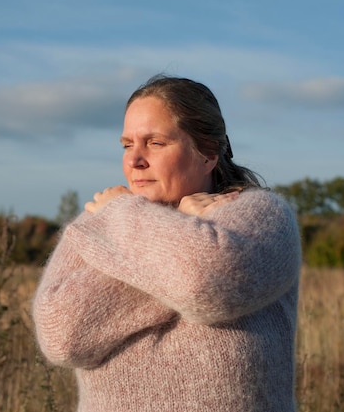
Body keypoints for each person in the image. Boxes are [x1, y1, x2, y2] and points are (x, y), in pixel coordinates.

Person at [32, 74, 302, 412]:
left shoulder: (260, 216)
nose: (134, 160)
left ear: (208, 154)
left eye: (155, 143)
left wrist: (128, 219)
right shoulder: (99, 222)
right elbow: (61, 335)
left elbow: (205, 282)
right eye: (127, 144)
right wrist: (168, 227)